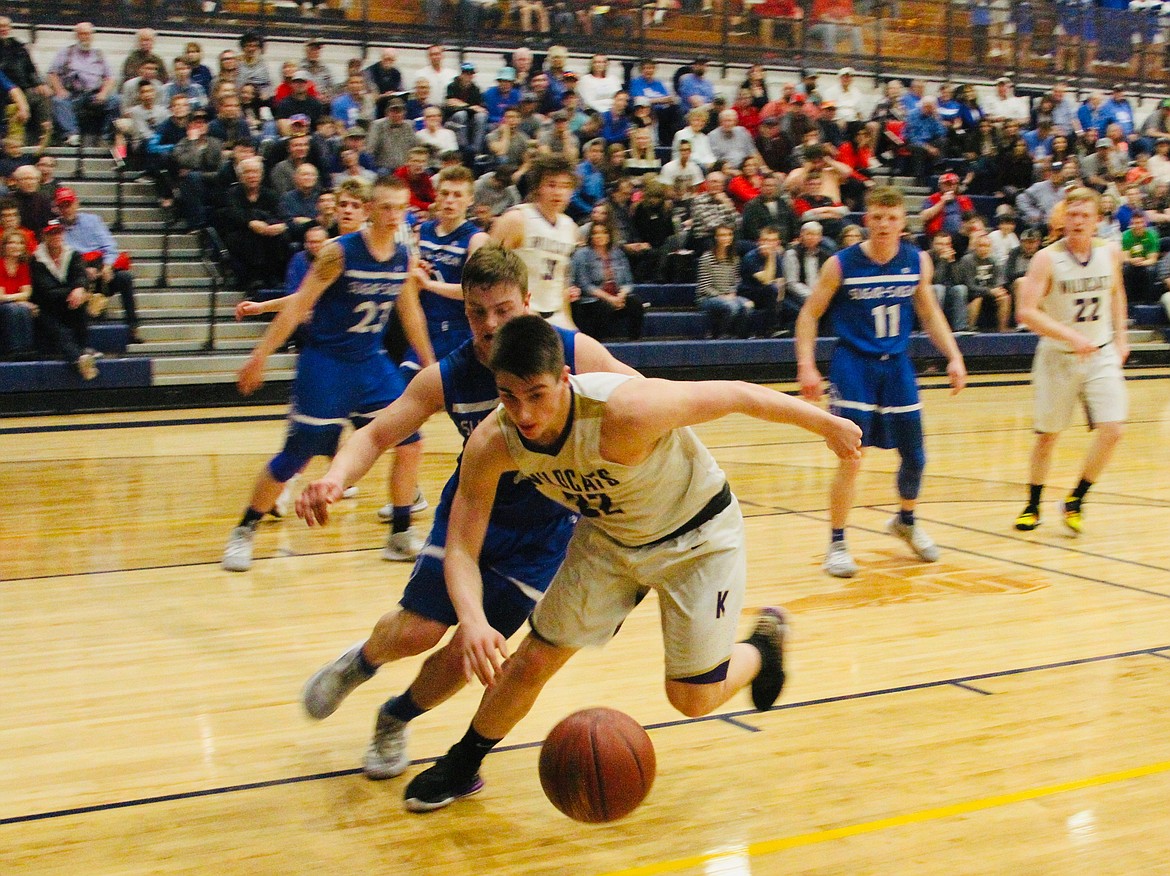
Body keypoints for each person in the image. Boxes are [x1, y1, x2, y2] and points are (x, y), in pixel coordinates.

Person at [397, 313, 862, 812]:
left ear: (565, 380)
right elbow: (461, 546)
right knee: (533, 657)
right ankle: (463, 763)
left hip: (697, 537)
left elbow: (737, 393)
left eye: (537, 394)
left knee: (691, 700)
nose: (525, 414)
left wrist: (827, 424)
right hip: (611, 538)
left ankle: (762, 650)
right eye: (510, 396)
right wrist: (472, 619)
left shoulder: (628, 410)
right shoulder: (493, 442)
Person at [295, 247, 638, 778]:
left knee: (470, 651)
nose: (491, 324)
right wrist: (335, 478)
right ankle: (360, 662)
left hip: (546, 534)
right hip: (473, 512)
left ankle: (395, 717)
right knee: (418, 631)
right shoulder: (450, 376)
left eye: (503, 309)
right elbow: (378, 433)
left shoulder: (572, 351)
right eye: (478, 312)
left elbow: (640, 396)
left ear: (527, 302)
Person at [221, 177, 435, 572]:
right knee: (296, 456)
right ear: (370, 209)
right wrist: (259, 356)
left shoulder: (403, 256)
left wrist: (430, 364)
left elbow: (410, 312)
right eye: (386, 208)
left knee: (411, 443)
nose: (393, 216)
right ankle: (245, 529)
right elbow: (299, 306)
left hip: (372, 363)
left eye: (400, 208)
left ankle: (400, 533)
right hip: (327, 364)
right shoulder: (338, 253)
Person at [796, 186, 967, 578]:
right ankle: (837, 542)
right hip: (853, 364)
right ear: (866, 220)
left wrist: (954, 356)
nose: (884, 225)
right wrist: (807, 365)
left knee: (916, 456)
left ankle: (906, 521)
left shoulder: (916, 261)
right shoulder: (840, 265)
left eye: (891, 218)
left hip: (897, 366)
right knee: (852, 457)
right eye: (877, 217)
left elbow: (930, 312)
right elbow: (808, 315)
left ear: (902, 222)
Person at [1013, 187, 1128, 535]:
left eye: (1084, 215)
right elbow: (1027, 311)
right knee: (1048, 436)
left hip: (1100, 352)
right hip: (1058, 356)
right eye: (1071, 214)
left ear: (1097, 220)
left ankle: (1076, 498)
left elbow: (1117, 294)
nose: (1077, 221)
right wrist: (1070, 336)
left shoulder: (1110, 253)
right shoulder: (1046, 259)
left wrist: (1121, 338)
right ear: (1063, 218)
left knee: (1114, 429)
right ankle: (1033, 505)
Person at [489, 155, 579, 328]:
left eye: (565, 186)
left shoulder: (570, 227)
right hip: (519, 316)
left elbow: (561, 283)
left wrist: (570, 324)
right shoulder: (516, 219)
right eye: (551, 185)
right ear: (537, 188)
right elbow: (484, 273)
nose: (558, 192)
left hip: (556, 315)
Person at [30, 219, 96, 379]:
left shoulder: (73, 254)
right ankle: (79, 357)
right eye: (51, 233)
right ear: (44, 236)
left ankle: (81, 353)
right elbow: (47, 291)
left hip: (68, 306)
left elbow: (81, 275)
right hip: (46, 308)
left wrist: (79, 289)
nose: (56, 236)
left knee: (80, 302)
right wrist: (74, 290)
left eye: (58, 232)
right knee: (60, 330)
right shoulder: (36, 260)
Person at [568, 221, 644, 340]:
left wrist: (621, 295)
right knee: (603, 307)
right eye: (595, 233)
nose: (599, 236)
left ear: (609, 236)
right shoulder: (582, 255)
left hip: (616, 296)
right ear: (591, 236)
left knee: (636, 304)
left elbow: (628, 282)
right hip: (592, 300)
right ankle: (600, 343)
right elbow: (585, 285)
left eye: (603, 233)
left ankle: (634, 341)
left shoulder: (618, 254)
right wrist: (610, 299)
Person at [697, 223, 751, 338]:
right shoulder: (707, 258)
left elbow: (736, 280)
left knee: (748, 305)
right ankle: (719, 334)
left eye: (729, 234)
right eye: (722, 235)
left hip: (729, 295)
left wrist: (732, 292)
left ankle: (737, 335)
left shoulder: (734, 258)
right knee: (732, 306)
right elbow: (704, 287)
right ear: (716, 238)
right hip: (707, 298)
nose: (726, 238)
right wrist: (721, 296)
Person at [0, 228, 35, 359]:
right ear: (4, 246)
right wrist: (19, 300)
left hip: (13, 304)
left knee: (22, 309)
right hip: (5, 306)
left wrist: (20, 301)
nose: (17, 246)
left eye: (20, 243)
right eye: (12, 242)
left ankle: (27, 348)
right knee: (15, 309)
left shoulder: (23, 266)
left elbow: (27, 294)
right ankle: (14, 349)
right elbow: (0, 297)